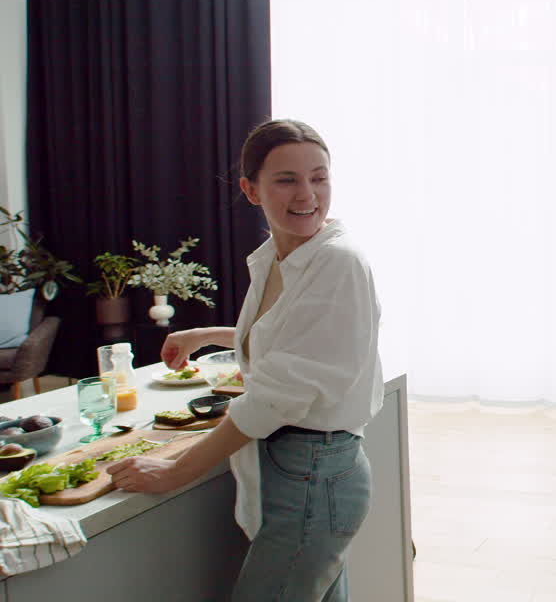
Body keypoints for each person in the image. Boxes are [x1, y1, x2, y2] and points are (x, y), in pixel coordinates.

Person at [106, 119, 384, 602]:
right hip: (300, 472)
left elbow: (278, 395)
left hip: (315, 474)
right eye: (286, 179)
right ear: (250, 190)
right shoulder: (279, 257)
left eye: (319, 177)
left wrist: (177, 470)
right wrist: (206, 335)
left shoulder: (338, 262)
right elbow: (289, 337)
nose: (307, 194)